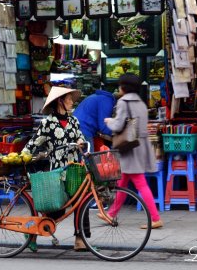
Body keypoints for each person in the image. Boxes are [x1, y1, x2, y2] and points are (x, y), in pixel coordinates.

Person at [22, 86, 89, 251]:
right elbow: (34, 142)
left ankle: (80, 239)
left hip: (74, 170)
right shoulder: (48, 123)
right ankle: (31, 233)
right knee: (56, 209)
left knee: (81, 201)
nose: (71, 101)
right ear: (60, 101)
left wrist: (81, 143)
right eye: (68, 99)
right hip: (57, 172)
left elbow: (81, 137)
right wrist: (22, 156)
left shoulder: (74, 121)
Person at [101, 73, 163, 229]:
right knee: (123, 182)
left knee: (140, 183)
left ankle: (155, 218)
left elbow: (118, 125)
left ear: (123, 87)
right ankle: (110, 214)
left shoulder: (123, 102)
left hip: (129, 148)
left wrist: (109, 121)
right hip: (139, 146)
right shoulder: (141, 103)